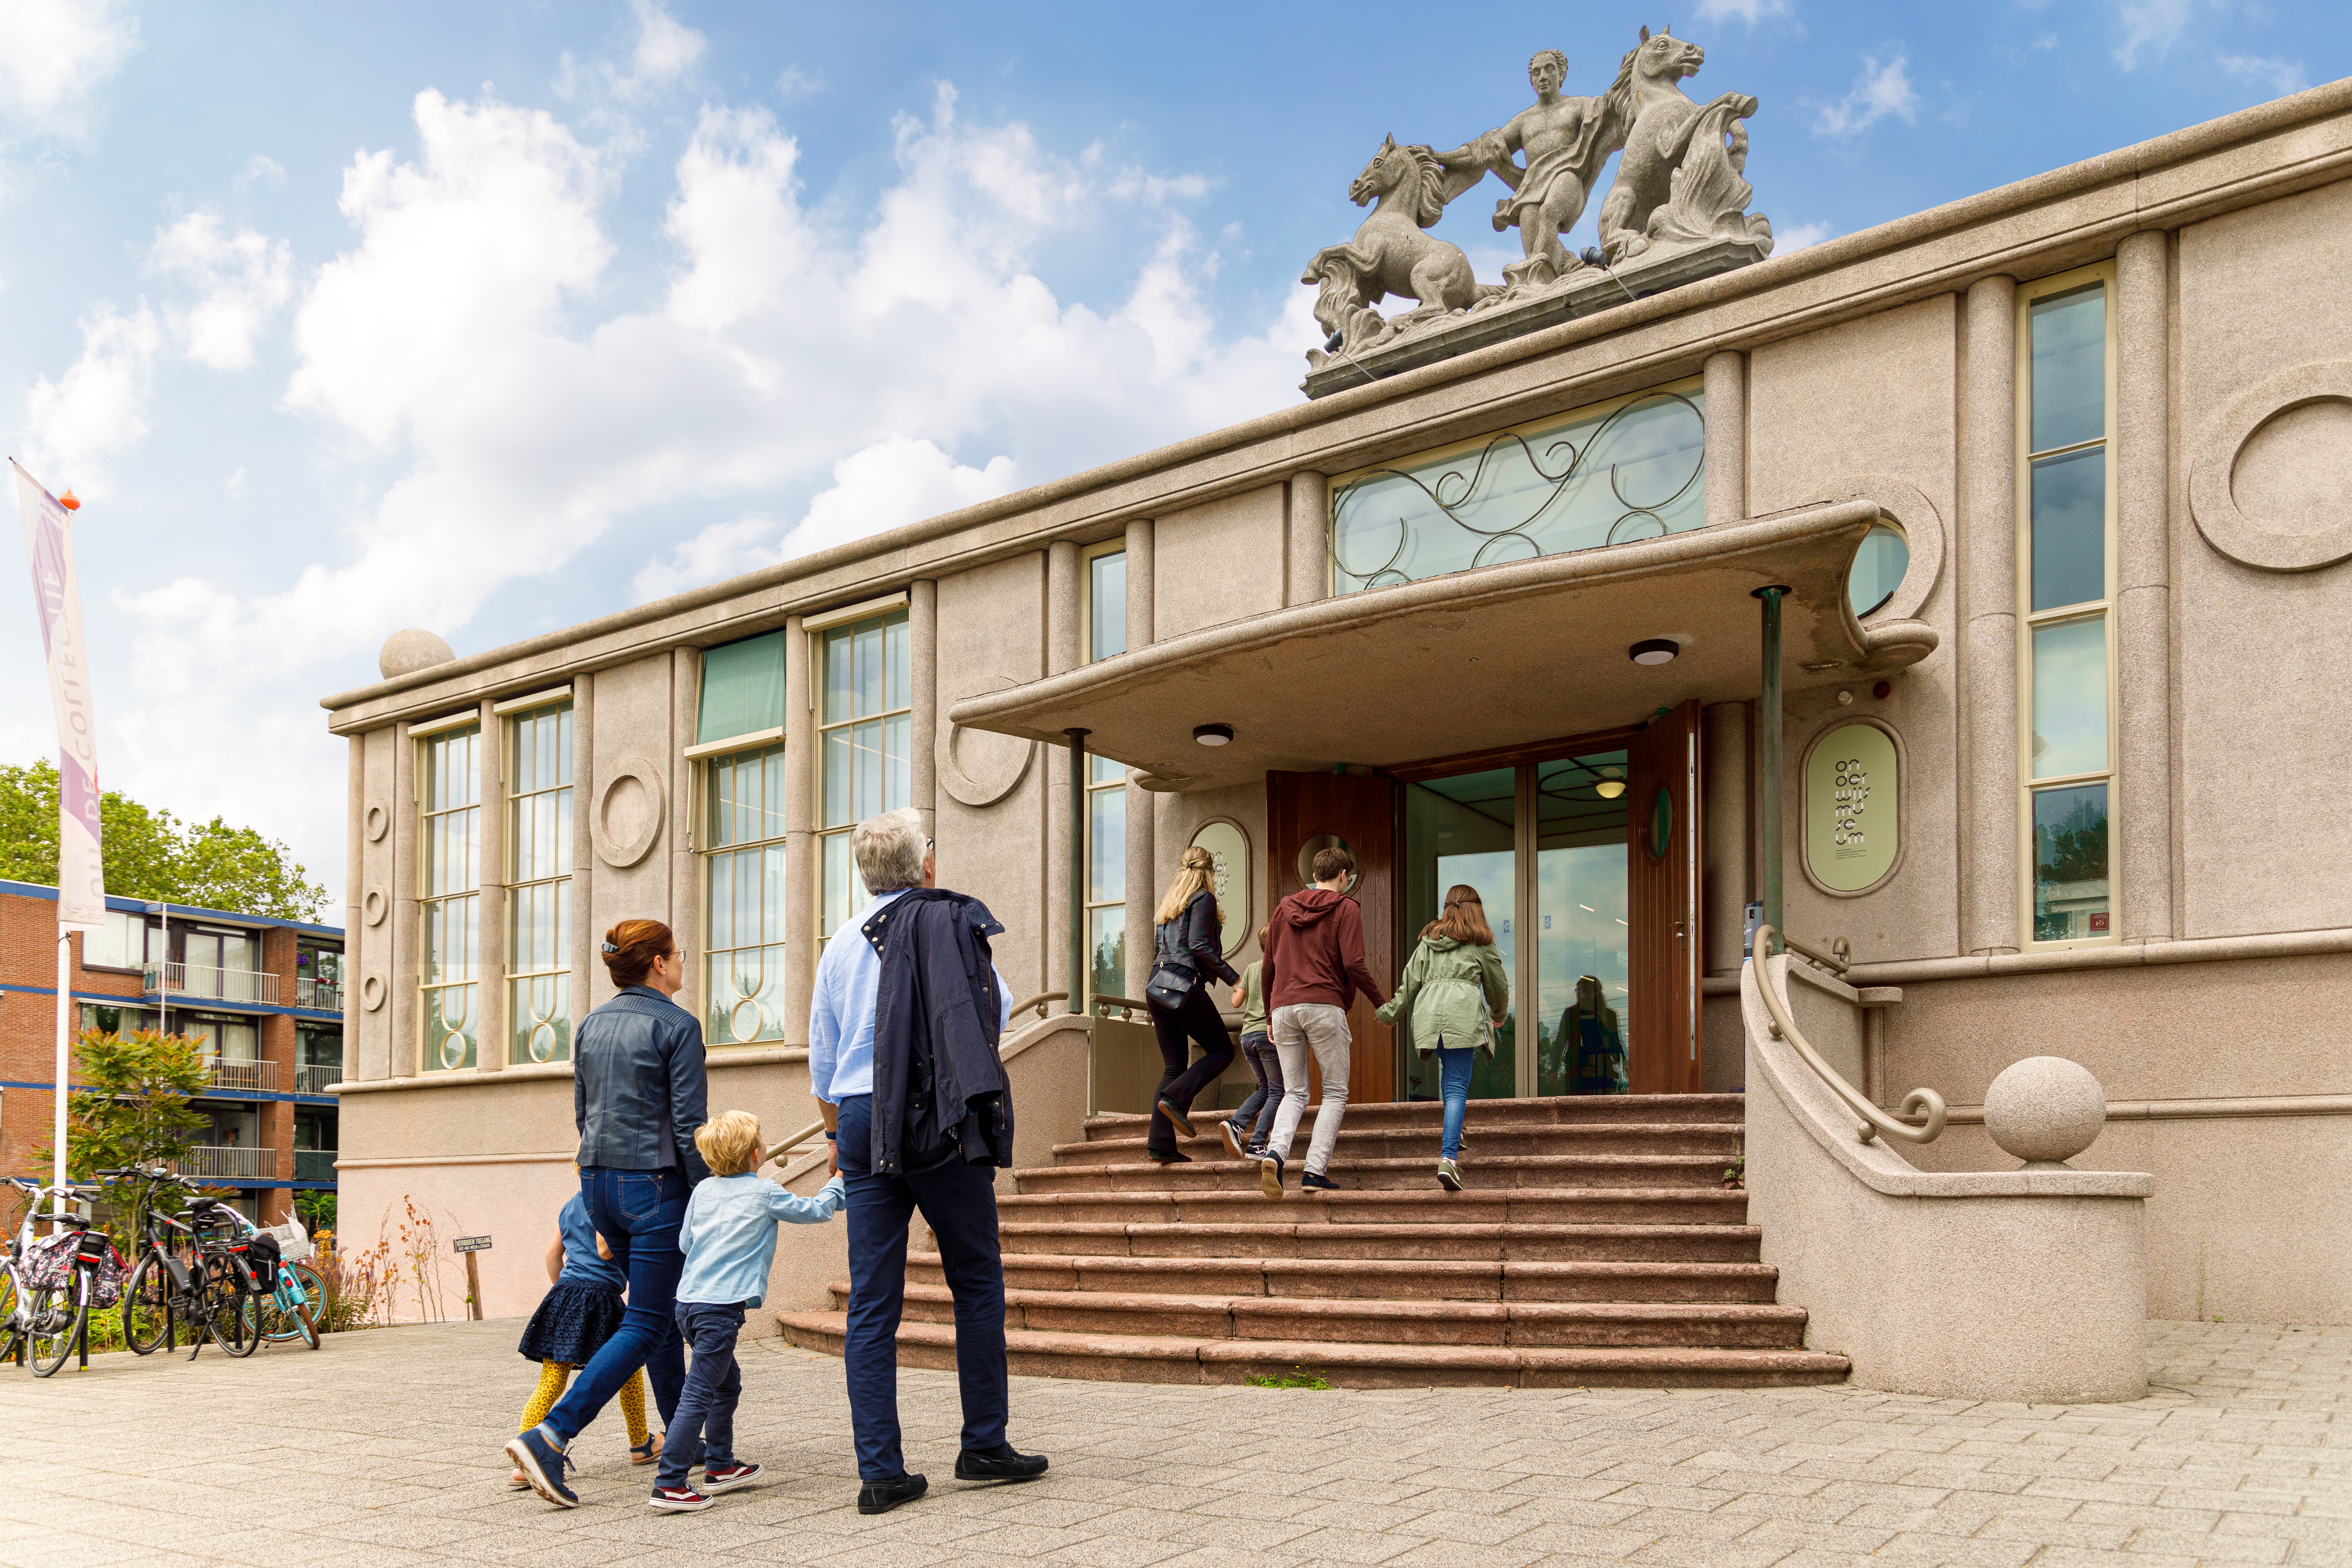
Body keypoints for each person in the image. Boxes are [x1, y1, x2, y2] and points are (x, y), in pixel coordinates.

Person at [810, 809, 1046, 1515]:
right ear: (928, 865)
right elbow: (989, 1014)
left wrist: (835, 1134)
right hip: (936, 1115)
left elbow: (823, 1055)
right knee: (975, 1276)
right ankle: (983, 1443)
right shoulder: (951, 926)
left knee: (873, 1297)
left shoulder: (840, 942)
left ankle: (881, 1470)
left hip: (858, 1117)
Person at [507, 919, 710, 1510]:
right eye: (677, 955)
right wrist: (705, 1200)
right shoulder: (678, 1026)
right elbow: (690, 1125)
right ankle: (550, 1436)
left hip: (598, 1183)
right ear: (658, 965)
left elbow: (582, 1111)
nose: (681, 963)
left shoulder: (592, 1025)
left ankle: (681, 1441)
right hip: (654, 1186)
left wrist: (599, 1183)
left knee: (658, 1314)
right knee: (647, 1322)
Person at [649, 1110, 846, 1513]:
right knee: (700, 1391)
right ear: (757, 1153)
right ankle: (670, 1482)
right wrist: (837, 1183)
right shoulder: (765, 1192)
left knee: (726, 1382)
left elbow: (687, 1243)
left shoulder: (702, 1191)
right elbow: (816, 1212)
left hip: (687, 1303)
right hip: (719, 1311)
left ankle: (720, 1466)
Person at [1257, 845, 1388, 1198]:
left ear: (1314, 876)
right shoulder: (1346, 908)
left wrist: (1271, 1014)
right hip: (1323, 1004)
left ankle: (1275, 1153)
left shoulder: (1284, 909)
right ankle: (1314, 1170)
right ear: (1344, 876)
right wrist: (1381, 1004)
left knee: (1294, 1091)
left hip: (1283, 1007)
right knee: (1334, 1092)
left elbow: (1268, 967)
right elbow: (1354, 965)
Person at [509, 1190, 661, 1490]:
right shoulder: (613, 1199)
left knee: (551, 1381)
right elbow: (605, 1250)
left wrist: (564, 1294)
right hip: (603, 1297)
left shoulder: (570, 1204)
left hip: (566, 1293)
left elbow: (553, 1256)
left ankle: (524, 1461)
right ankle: (640, 1443)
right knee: (627, 1367)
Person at [1376, 885, 1510, 1191]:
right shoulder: (1481, 943)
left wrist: (1390, 1014)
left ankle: (1458, 1128)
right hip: (1461, 1016)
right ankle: (1448, 1159)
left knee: (1449, 1077)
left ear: (1448, 907)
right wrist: (1499, 1014)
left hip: (1428, 1016)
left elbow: (1409, 983)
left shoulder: (1429, 940)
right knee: (1456, 1087)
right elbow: (1498, 985)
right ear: (1476, 908)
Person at [1145, 846, 1242, 1164]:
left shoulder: (1169, 904)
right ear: (1209, 872)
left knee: (1174, 1066)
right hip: (1183, 985)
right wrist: (1234, 980)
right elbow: (1198, 946)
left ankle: (1161, 1144)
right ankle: (1175, 1098)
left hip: (1157, 987)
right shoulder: (1203, 898)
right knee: (1222, 1050)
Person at [1219, 928, 1280, 1162]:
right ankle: (1256, 1143)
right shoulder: (1278, 967)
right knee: (1278, 1090)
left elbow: (1236, 1003)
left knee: (1266, 1087)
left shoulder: (1251, 968)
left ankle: (1236, 1123)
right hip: (1268, 1035)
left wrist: (1243, 987)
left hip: (1247, 1037)